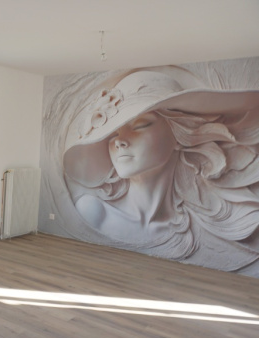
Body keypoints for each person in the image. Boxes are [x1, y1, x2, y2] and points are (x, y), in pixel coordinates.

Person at [62, 69, 259, 273]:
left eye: (140, 125)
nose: (119, 141)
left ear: (178, 134)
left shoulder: (191, 229)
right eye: (112, 134)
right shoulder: (93, 212)